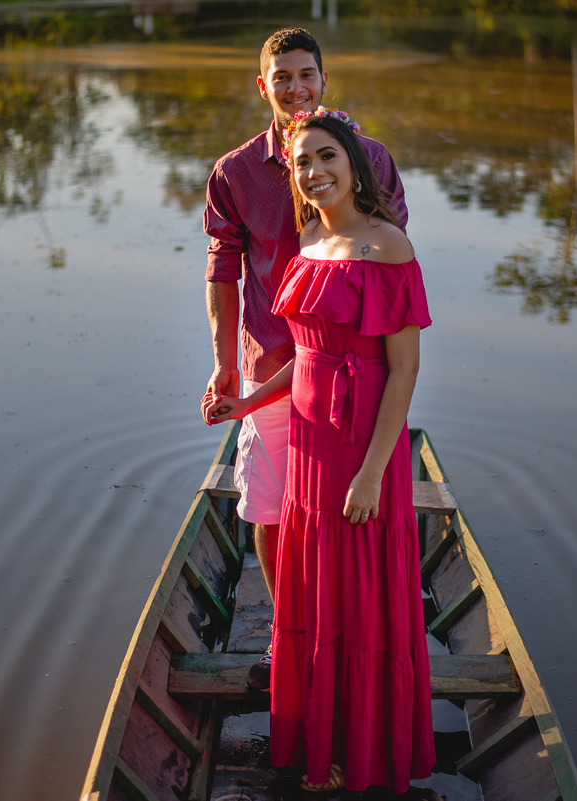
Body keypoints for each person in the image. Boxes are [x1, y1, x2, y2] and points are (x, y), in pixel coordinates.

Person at [203, 107, 435, 793]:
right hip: (305, 441)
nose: (315, 171)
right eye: (304, 161)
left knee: (357, 594)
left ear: (355, 166)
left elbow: (405, 371)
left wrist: (370, 475)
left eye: (327, 157)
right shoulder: (307, 237)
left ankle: (364, 752)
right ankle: (321, 746)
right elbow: (305, 357)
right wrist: (246, 401)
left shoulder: (388, 246)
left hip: (361, 446)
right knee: (311, 589)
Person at [202, 27, 408, 691]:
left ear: (325, 81)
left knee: (352, 514)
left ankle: (354, 639)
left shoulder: (369, 157)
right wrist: (225, 365)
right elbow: (223, 270)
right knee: (268, 509)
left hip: (355, 371)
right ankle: (288, 624)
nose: (295, 87)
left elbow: (391, 262)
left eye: (306, 75)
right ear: (263, 86)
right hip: (273, 366)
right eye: (281, 77)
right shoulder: (235, 172)